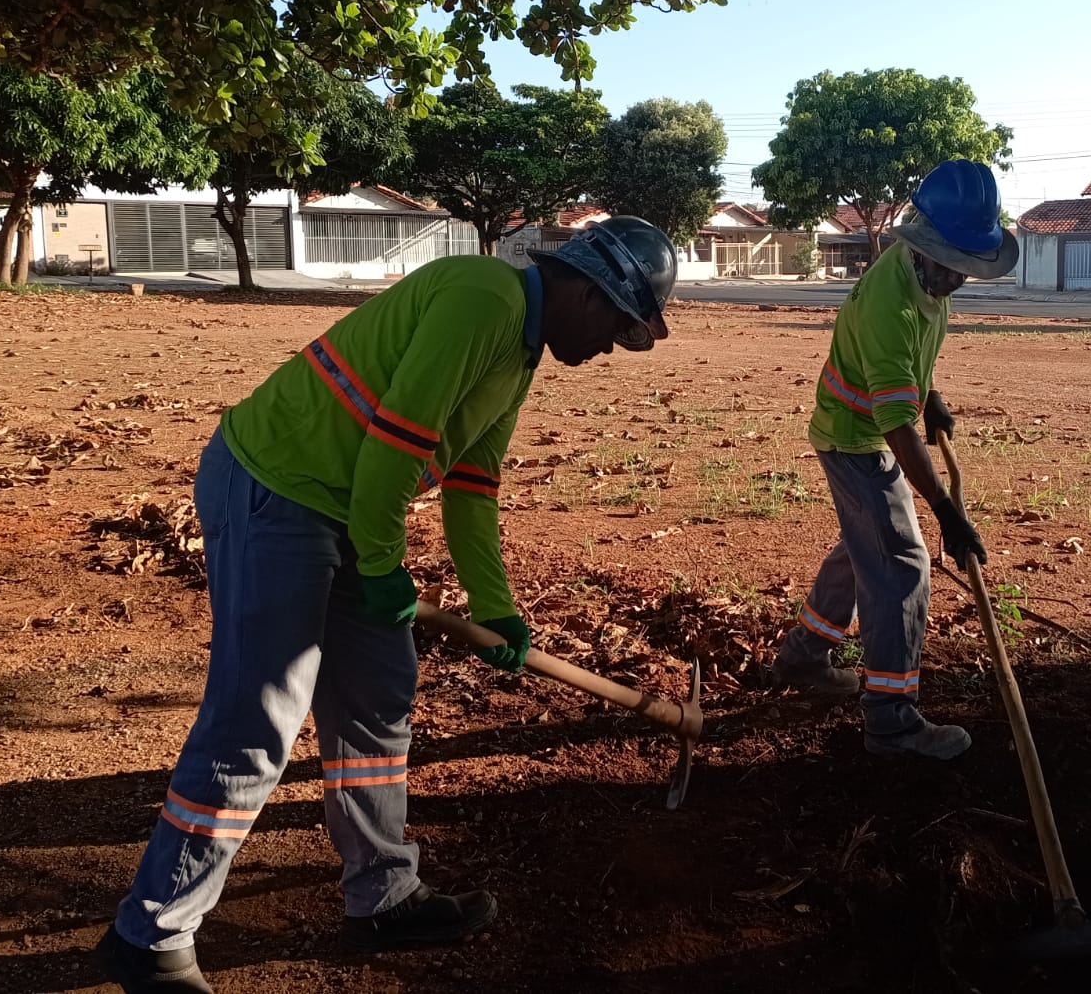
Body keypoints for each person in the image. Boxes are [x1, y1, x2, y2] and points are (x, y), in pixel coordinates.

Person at [96, 218, 678, 994]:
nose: (609, 347)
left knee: (377, 699)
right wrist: (379, 565)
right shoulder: (486, 297)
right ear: (587, 292)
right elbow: (397, 442)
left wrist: (495, 606)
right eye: (616, 326)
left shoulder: (520, 349)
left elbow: (472, 482)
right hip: (277, 487)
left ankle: (383, 898)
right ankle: (150, 933)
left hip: (344, 505)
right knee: (257, 722)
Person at [770, 160, 1019, 758]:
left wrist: (928, 394)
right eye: (949, 264)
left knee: (865, 546)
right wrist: (946, 512)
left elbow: (911, 362)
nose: (956, 278)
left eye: (966, 265)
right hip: (854, 439)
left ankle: (803, 656)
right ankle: (891, 719)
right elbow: (896, 426)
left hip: (861, 428)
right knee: (902, 562)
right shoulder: (892, 304)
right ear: (923, 243)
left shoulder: (923, 275)